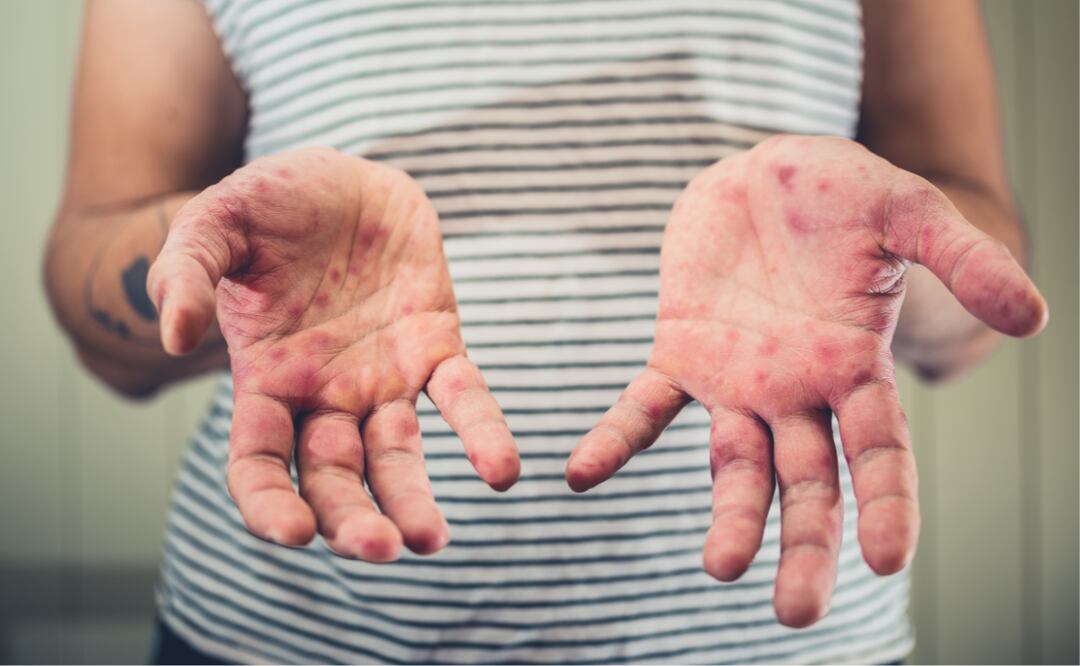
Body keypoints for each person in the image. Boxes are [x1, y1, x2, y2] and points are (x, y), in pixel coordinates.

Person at [44, 0, 1048, 663]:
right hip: (289, 635)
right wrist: (216, 264)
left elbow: (975, 295)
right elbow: (96, 297)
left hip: (776, 638)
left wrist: (877, 276)